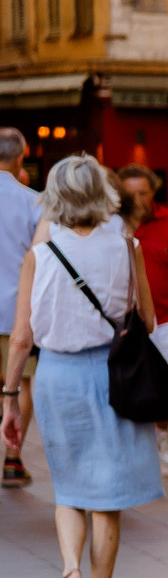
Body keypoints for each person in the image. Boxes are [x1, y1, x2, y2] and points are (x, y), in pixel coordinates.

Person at [1, 156, 162, 578]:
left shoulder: (40, 257)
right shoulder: (126, 246)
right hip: (112, 374)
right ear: (102, 195)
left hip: (56, 377)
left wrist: (10, 397)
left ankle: (70, 569)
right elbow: (148, 322)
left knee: (69, 489)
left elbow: (22, 338)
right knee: (106, 499)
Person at [122, 166, 168, 471]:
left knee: (167, 382)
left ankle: (162, 431)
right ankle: (134, 441)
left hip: (165, 316)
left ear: (154, 192)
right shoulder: (113, 223)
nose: (138, 199)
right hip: (125, 320)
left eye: (144, 192)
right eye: (131, 193)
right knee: (127, 382)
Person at [0, 129, 38, 489]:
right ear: (20, 157)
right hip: (17, 310)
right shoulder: (33, 202)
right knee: (22, 382)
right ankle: (12, 460)